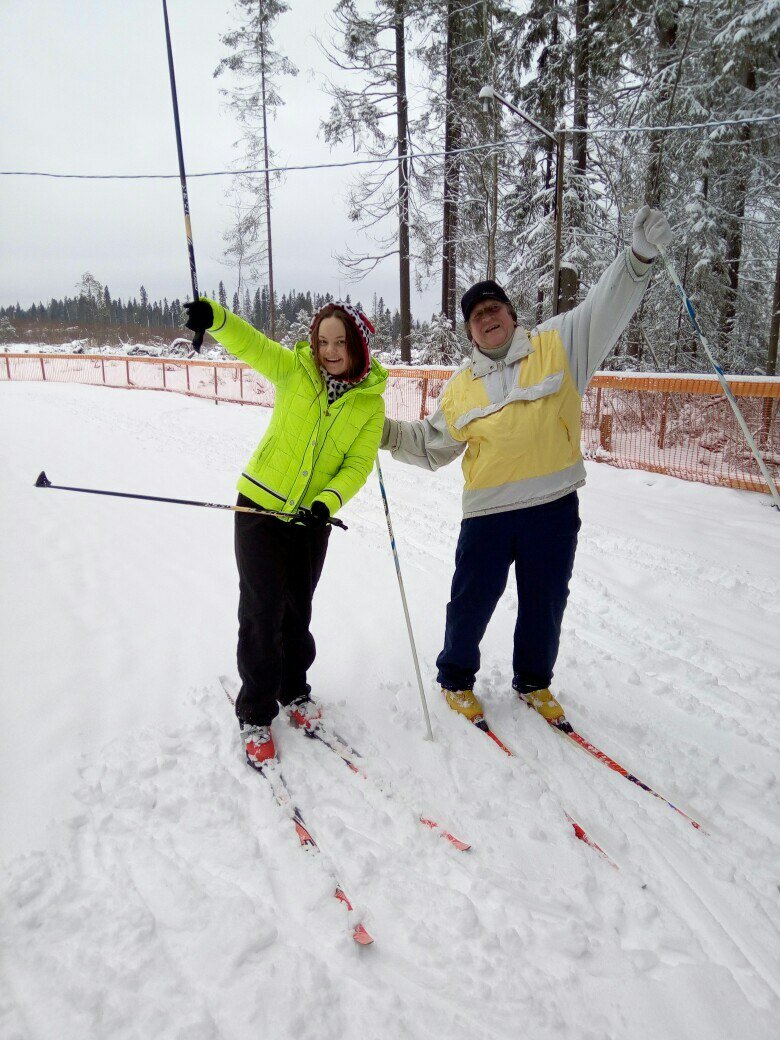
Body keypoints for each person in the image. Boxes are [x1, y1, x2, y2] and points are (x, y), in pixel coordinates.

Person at [380, 205, 672, 731]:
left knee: (545, 603)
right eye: (477, 315)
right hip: (487, 516)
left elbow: (606, 305)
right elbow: (427, 444)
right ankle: (456, 680)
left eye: (495, 308)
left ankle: (533, 681)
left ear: (512, 315)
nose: (488, 318)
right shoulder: (459, 388)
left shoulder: (558, 346)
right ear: (470, 331)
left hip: (552, 510)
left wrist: (638, 257)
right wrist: (380, 432)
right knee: (469, 603)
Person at [184, 297, 387, 768]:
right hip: (258, 508)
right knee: (262, 609)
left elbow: (357, 465)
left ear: (358, 346)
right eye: (323, 341)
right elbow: (251, 344)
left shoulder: (370, 404)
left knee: (298, 609)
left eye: (340, 342)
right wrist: (215, 317)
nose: (330, 351)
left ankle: (294, 688)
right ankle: (255, 709)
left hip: (310, 521)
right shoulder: (296, 372)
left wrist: (326, 502)